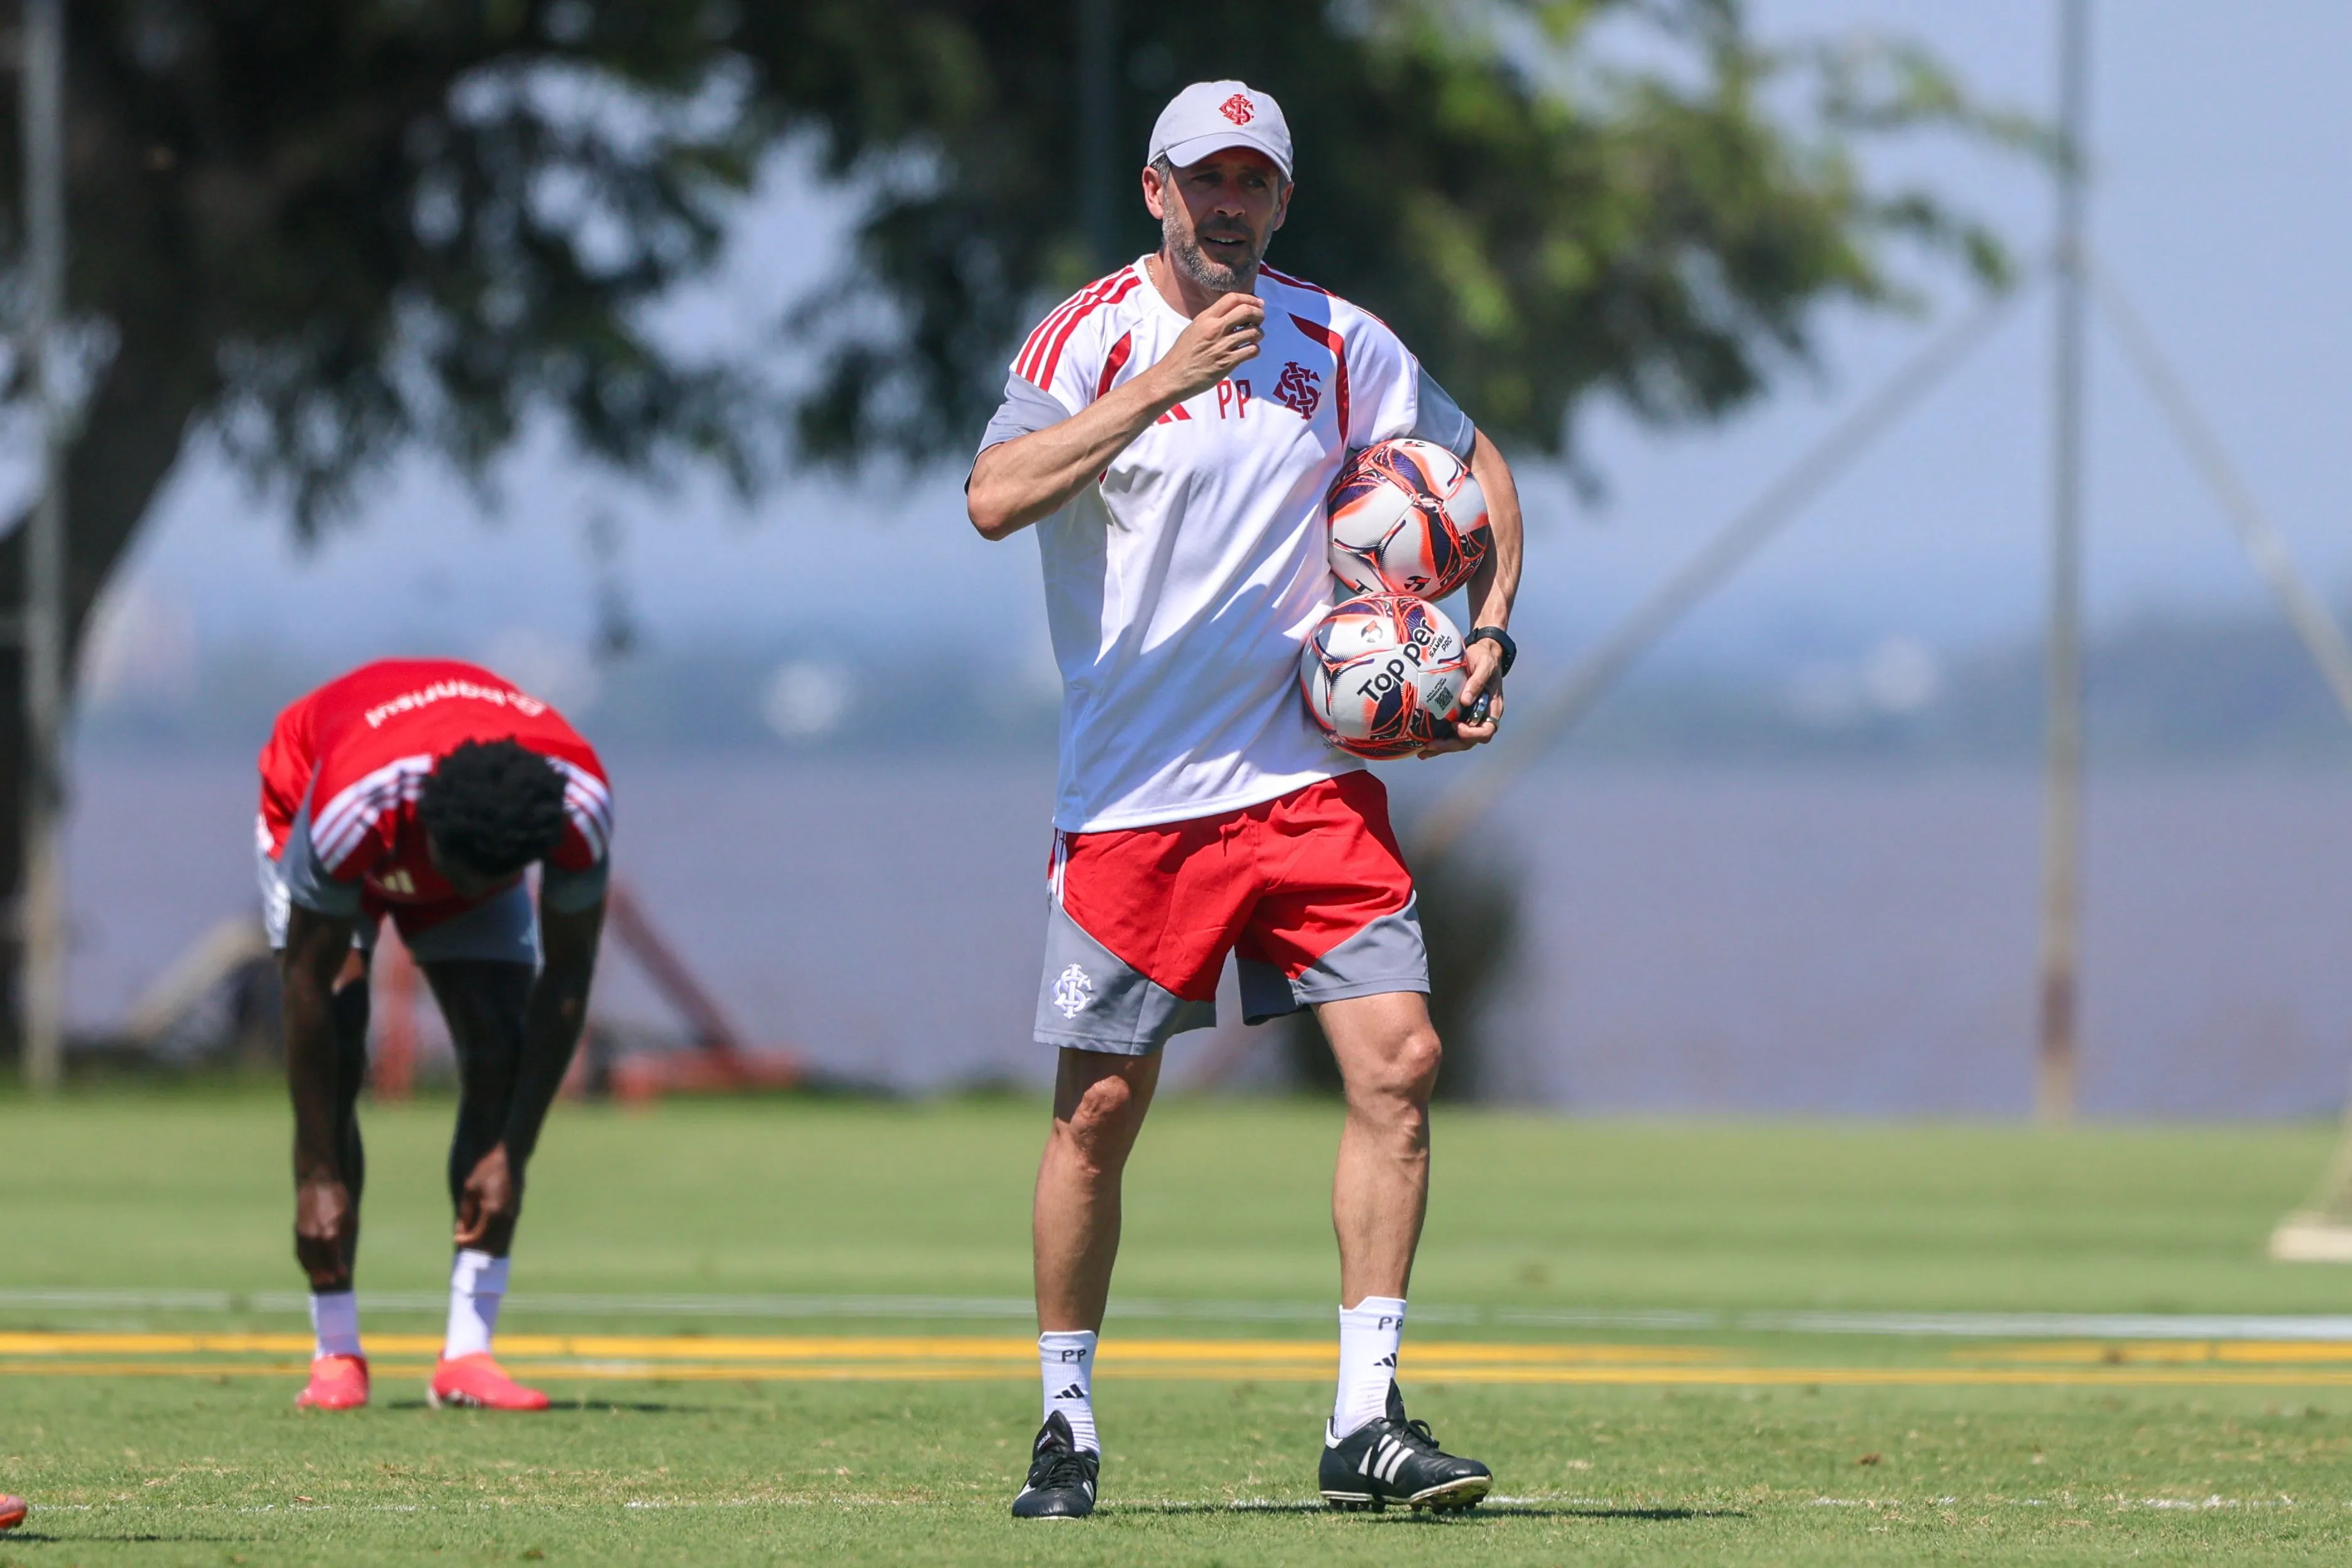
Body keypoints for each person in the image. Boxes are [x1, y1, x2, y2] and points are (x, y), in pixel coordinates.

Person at [966, 80, 1525, 1517]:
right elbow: (990, 495)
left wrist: (1479, 641)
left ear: (1280, 201)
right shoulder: (1083, 337)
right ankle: (1065, 1422)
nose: (1226, 205)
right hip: (1132, 799)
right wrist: (1154, 385)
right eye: (1201, 180)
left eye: (1251, 183)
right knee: (1095, 1111)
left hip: (1303, 783)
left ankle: (1363, 1418)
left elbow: (1476, 473)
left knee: (1396, 1061)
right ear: (1152, 191)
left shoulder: (1338, 340)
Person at [256, 658, 612, 1412]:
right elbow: (306, 988)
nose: (477, 896)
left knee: (500, 1042)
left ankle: (468, 1352)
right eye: (467, 877)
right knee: (342, 1033)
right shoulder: (357, 804)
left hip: (449, 827)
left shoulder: (573, 806)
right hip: (317, 795)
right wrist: (317, 1174)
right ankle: (336, 1349)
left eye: (499, 881)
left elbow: (569, 978)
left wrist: (512, 1149)